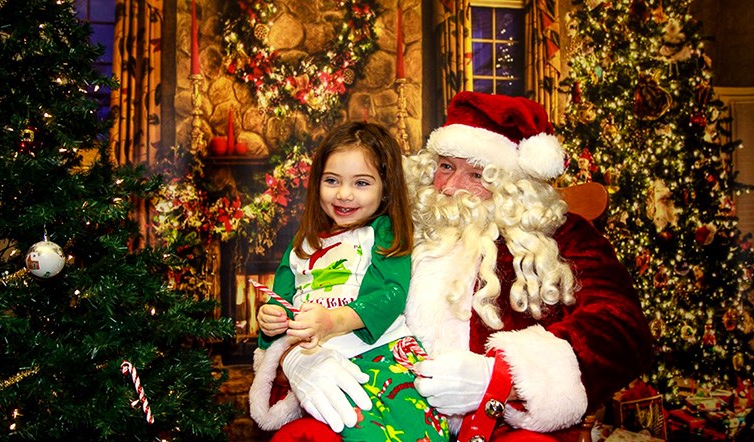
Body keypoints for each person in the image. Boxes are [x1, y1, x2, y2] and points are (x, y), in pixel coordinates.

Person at [250, 92, 654, 442]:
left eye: (477, 174)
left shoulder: (561, 235)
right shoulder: (390, 227)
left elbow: (622, 330)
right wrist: (298, 359)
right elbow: (316, 295)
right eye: (445, 167)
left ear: (516, 185)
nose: (451, 187)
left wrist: (501, 379)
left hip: (504, 425)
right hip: (383, 406)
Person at [249, 121, 449, 441]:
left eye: (361, 183)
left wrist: (332, 320)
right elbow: (283, 301)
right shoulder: (302, 244)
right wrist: (270, 320)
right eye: (332, 180)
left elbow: (392, 294)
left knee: (418, 433)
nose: (343, 194)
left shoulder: (382, 232)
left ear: (386, 187)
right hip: (325, 363)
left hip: (385, 353)